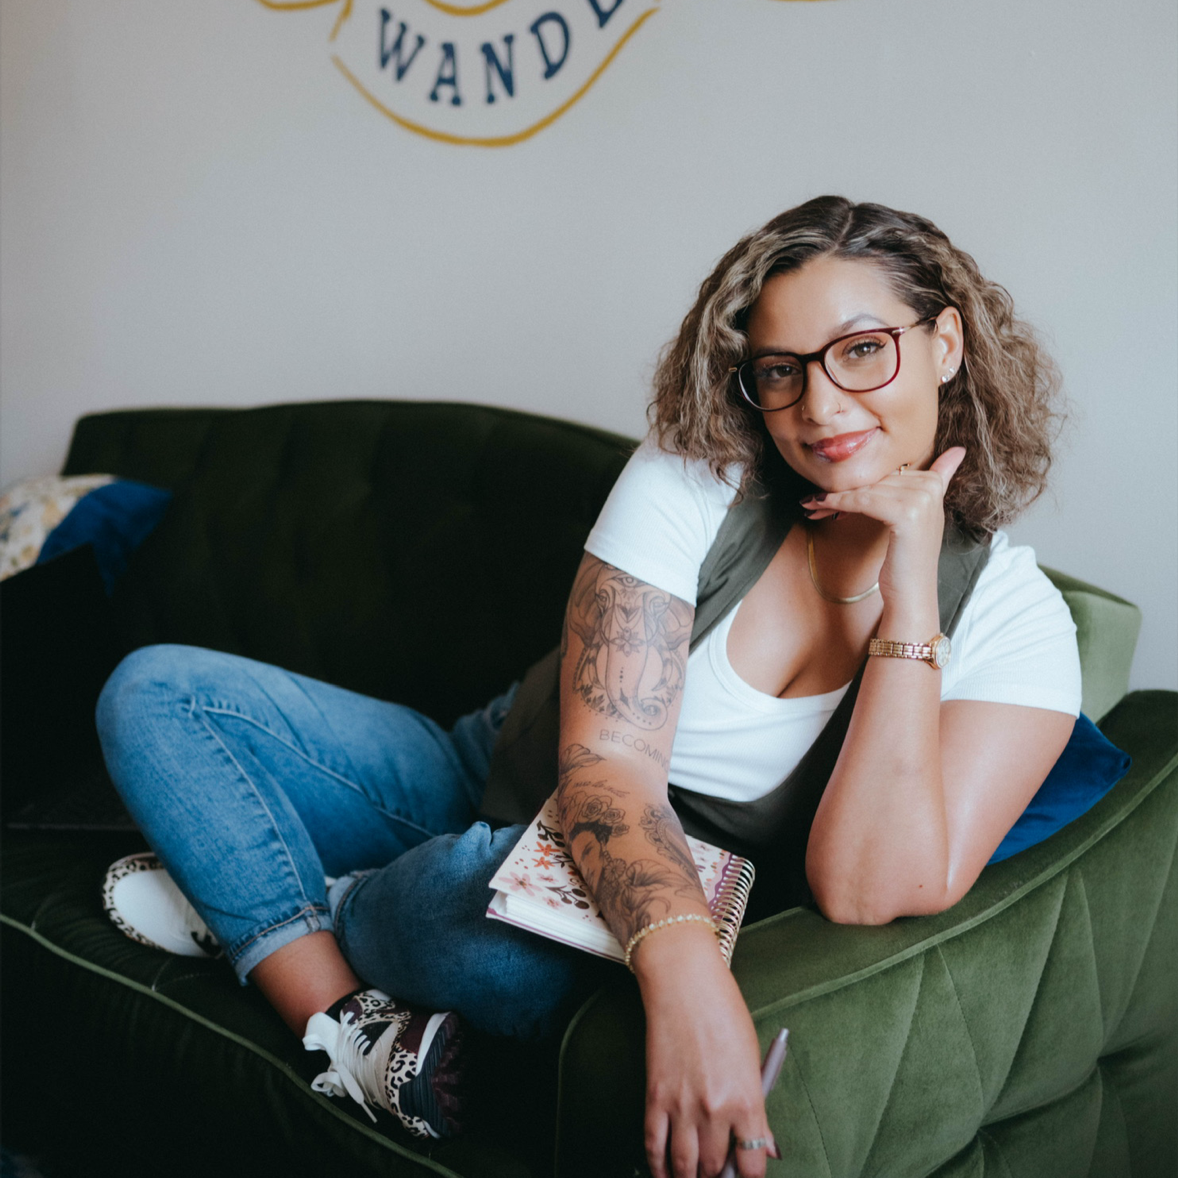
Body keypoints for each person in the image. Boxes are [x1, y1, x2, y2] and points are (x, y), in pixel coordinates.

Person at [97, 195, 1080, 1178]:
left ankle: (270, 894)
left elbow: (862, 887)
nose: (818, 406)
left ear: (945, 341)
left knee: (469, 916)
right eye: (779, 370)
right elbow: (603, 764)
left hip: (582, 908)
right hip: (486, 767)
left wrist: (910, 609)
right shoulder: (703, 474)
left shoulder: (1014, 623)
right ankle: (345, 1022)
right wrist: (689, 980)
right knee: (155, 693)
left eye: (861, 349)